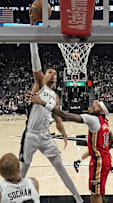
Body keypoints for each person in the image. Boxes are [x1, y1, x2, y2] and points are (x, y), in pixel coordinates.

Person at [19, 42, 83, 203]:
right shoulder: (39, 84)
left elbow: (57, 116)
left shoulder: (55, 96)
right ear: (44, 75)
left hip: (46, 136)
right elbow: (35, 62)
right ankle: (11, 197)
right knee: (23, 169)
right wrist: (33, 44)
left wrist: (63, 132)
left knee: (61, 168)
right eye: (49, 72)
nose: (52, 74)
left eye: (55, 73)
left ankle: (78, 198)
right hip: (31, 135)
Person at [31, 95, 113, 203]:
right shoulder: (106, 123)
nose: (93, 107)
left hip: (99, 162)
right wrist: (105, 151)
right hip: (104, 160)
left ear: (102, 111)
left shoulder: (94, 120)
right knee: (97, 193)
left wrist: (43, 103)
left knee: (95, 194)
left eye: (97, 106)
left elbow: (66, 115)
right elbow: (112, 139)